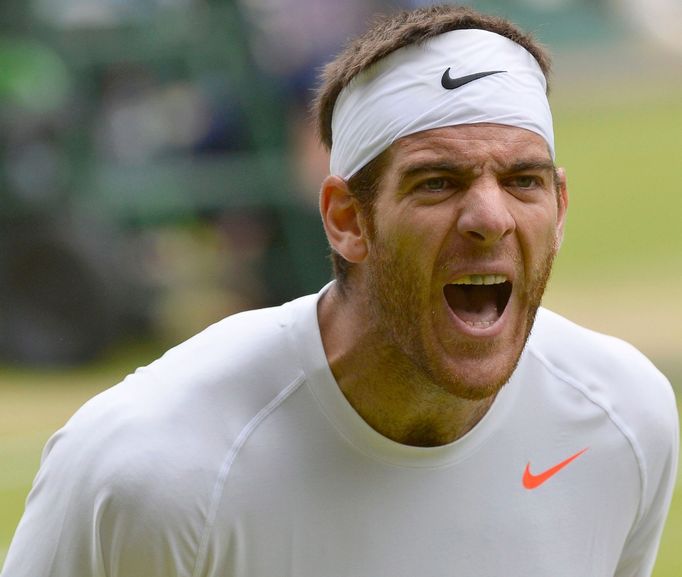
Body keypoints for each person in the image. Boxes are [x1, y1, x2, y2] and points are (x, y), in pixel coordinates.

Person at [2, 5, 678, 577]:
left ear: (559, 210)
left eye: (523, 181)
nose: (490, 218)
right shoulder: (150, 470)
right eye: (437, 182)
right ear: (346, 220)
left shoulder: (627, 420)